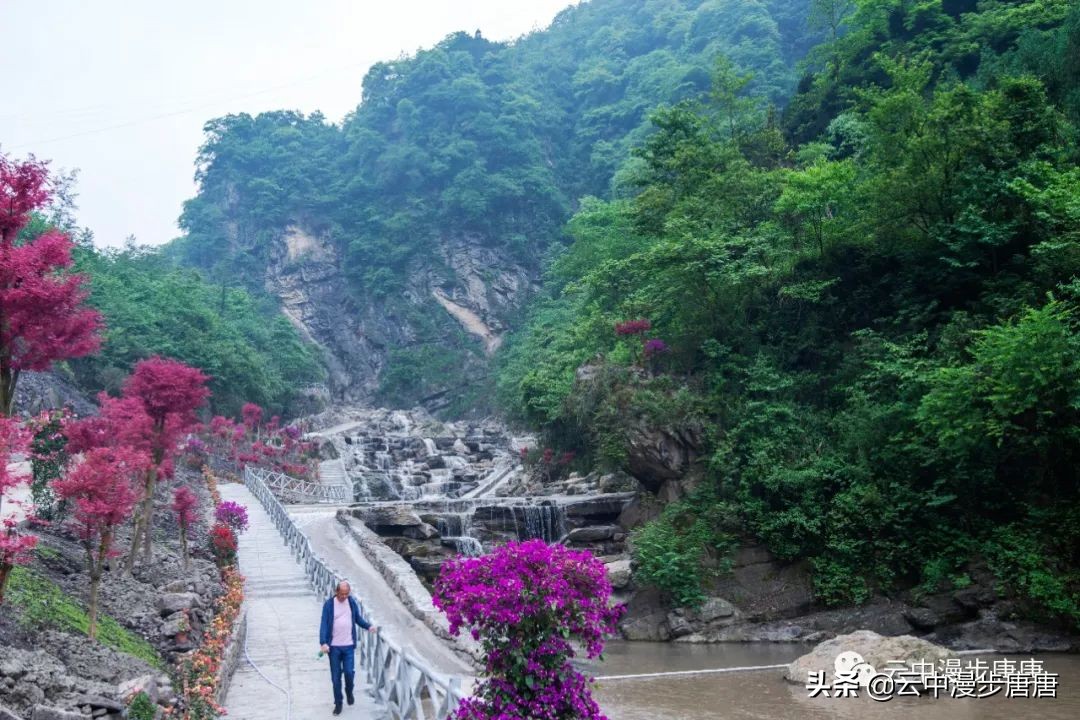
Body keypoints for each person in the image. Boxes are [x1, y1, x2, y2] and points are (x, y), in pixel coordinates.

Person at [319, 580, 377, 715]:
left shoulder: (351, 602)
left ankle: (349, 691)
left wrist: (368, 626)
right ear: (336, 592)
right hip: (333, 647)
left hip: (349, 646)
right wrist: (323, 643)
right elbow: (324, 624)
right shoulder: (329, 605)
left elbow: (357, 618)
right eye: (342, 594)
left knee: (349, 673)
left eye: (347, 594)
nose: (344, 597)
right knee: (335, 677)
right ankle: (338, 703)